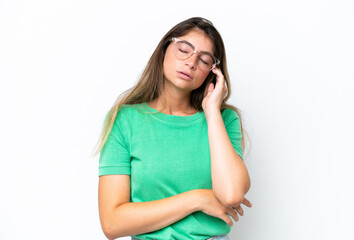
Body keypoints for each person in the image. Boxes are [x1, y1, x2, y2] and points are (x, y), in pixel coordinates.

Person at [95, 17, 252, 240]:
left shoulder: (224, 119)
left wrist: (212, 111)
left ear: (212, 72)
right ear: (164, 49)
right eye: (184, 50)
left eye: (204, 60)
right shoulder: (125, 120)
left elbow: (232, 194)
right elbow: (112, 223)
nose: (191, 62)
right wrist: (197, 199)